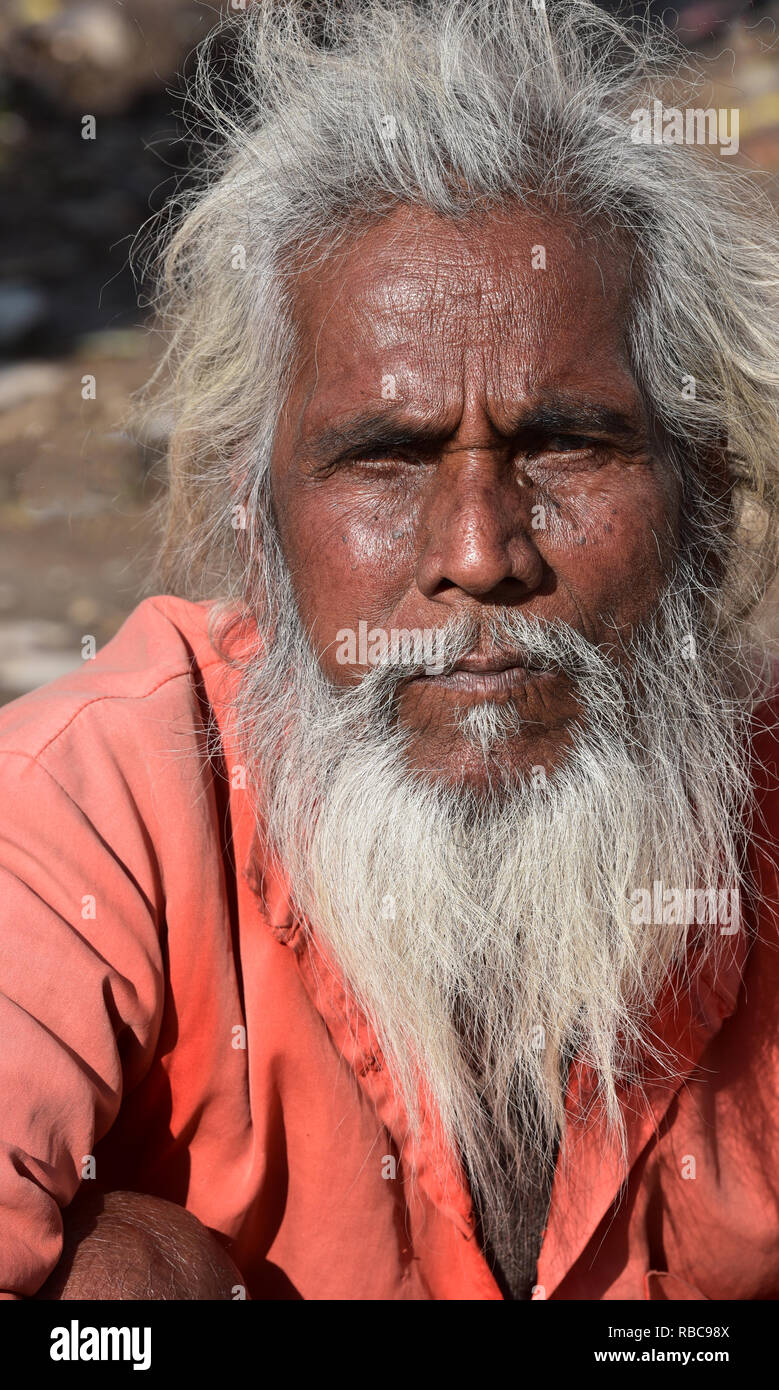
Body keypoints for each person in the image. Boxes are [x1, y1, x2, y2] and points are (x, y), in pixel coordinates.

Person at [2, 0, 779, 1301]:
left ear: (702, 501)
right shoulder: (96, 804)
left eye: (565, 445)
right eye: (387, 455)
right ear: (259, 521)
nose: (480, 552)